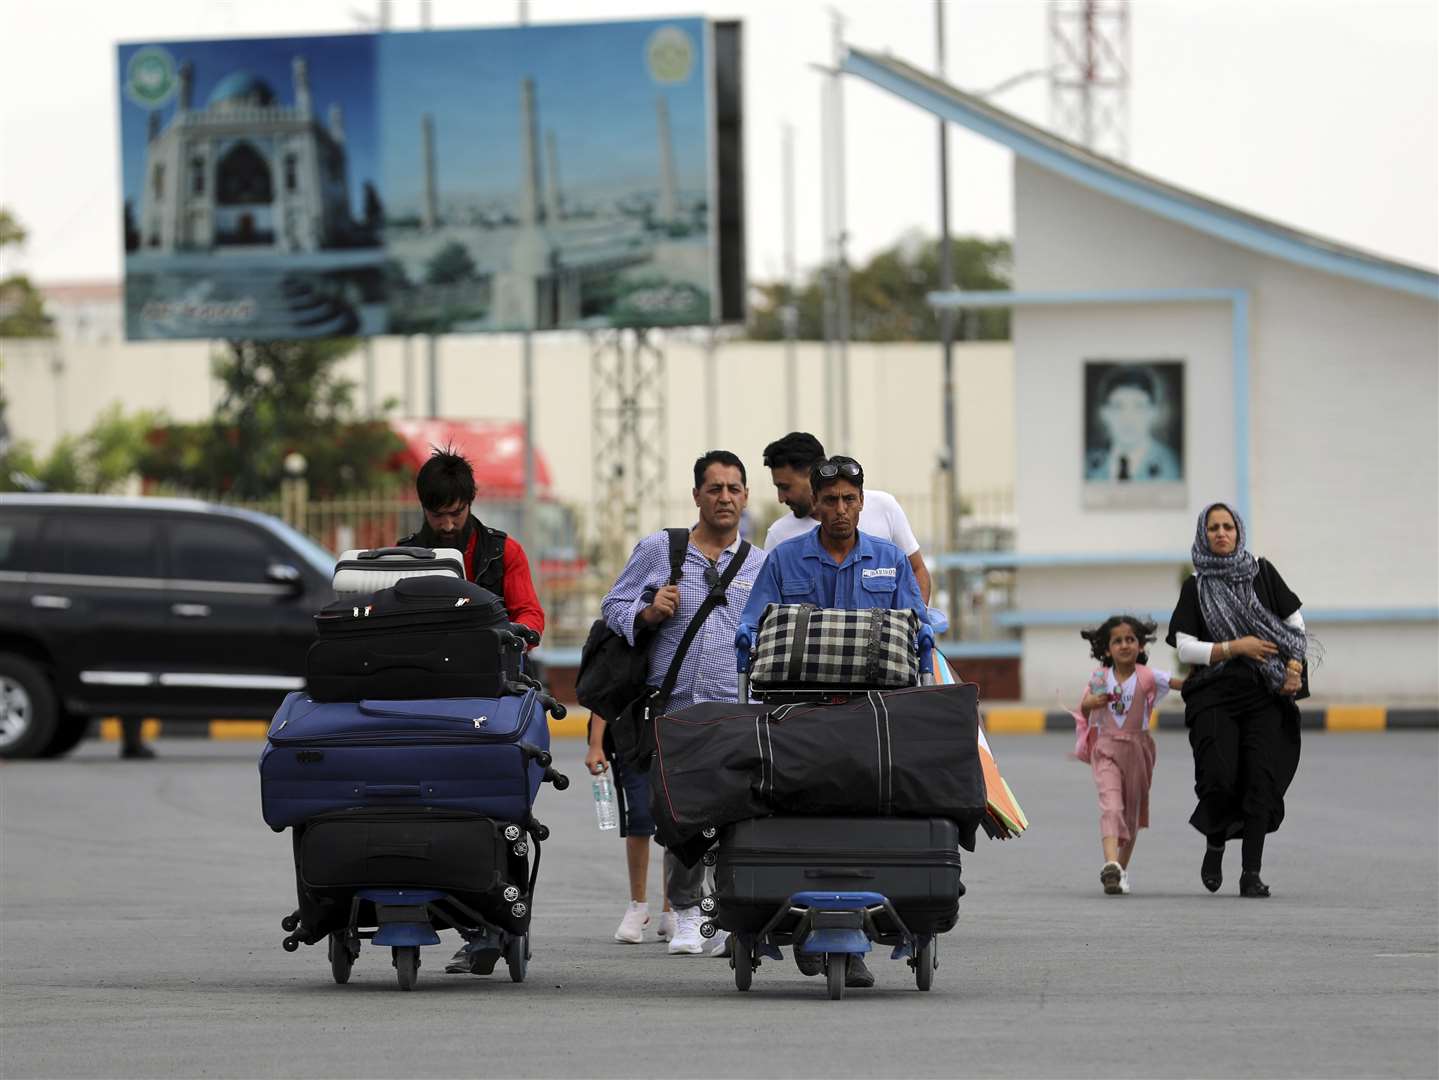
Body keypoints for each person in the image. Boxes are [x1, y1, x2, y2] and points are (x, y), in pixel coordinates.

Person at [738, 455, 928, 989]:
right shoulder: (785, 559)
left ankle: (855, 928)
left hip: (872, 717)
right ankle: (806, 925)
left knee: (865, 814)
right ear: (814, 505)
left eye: (849, 499)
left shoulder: (889, 560)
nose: (840, 510)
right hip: (802, 714)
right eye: (830, 500)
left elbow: (913, 622)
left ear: (862, 503)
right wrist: (747, 634)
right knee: (803, 812)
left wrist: (926, 632)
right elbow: (756, 618)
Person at [594, 451, 765, 955]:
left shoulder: (759, 564)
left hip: (737, 707)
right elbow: (612, 606)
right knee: (684, 815)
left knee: (736, 815)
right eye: (715, 488)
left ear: (746, 496)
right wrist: (647, 613)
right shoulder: (660, 550)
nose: (725, 497)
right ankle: (687, 916)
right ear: (696, 496)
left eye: (734, 488)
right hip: (675, 709)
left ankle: (726, 912)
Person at [1166, 502, 1309, 898]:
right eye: (1213, 527)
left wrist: (1294, 667)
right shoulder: (1196, 586)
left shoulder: (1262, 572)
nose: (1221, 533)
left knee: (1260, 779)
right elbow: (1186, 648)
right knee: (1219, 776)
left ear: (1239, 531)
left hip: (1264, 691)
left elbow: (1295, 623)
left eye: (1228, 526)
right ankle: (1215, 844)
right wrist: (1236, 647)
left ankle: (1251, 873)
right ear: (1203, 534)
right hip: (1215, 692)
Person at [1074, 615, 1182, 896]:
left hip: (1138, 750)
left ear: (1141, 645)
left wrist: (1207, 667)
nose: (1124, 645)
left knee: (1132, 813)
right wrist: (1089, 703)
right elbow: (1083, 711)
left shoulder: (1149, 677)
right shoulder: (1099, 678)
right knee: (1111, 806)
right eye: (1117, 641)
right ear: (1107, 648)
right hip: (1106, 748)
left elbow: (1181, 684)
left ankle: (1119, 870)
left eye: (1130, 639)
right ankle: (1110, 863)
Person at [761, 432, 932, 603]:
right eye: (830, 500)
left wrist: (915, 623)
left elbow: (917, 570)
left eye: (785, 487)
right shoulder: (779, 538)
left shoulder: (884, 507)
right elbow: (765, 606)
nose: (781, 498)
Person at [397, 446, 545, 639]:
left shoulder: (505, 552)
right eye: (437, 515)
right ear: (424, 508)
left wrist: (512, 635)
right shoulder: (402, 556)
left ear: (470, 502)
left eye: (456, 513)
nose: (448, 525)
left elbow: (529, 613)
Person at [1084, 366, 1182, 483]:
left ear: (1153, 412)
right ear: (1104, 413)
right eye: (1118, 406)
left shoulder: (1175, 466)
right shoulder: (1085, 465)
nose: (1128, 418)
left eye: (1139, 406)